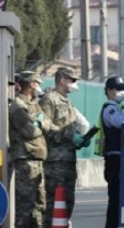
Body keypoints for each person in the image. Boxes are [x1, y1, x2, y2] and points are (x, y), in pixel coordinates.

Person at [39, 67, 89, 228]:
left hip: (68, 160)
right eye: (72, 80)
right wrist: (69, 136)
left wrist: (80, 140)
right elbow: (44, 128)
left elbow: (71, 128)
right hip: (54, 162)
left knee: (68, 203)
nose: (75, 84)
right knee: (52, 205)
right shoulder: (49, 100)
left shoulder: (68, 102)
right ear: (62, 80)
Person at [9, 71, 58, 228]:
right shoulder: (17, 106)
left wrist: (38, 122)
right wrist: (38, 124)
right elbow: (31, 132)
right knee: (25, 204)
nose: (39, 87)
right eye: (38, 83)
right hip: (25, 159)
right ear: (31, 84)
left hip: (36, 158)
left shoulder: (34, 104)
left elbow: (48, 124)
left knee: (39, 202)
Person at [99, 76, 124, 228]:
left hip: (120, 157)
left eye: (123, 89)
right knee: (115, 198)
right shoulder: (110, 108)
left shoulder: (118, 107)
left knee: (121, 197)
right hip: (113, 158)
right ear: (109, 91)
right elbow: (120, 122)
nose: (122, 92)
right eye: (118, 89)